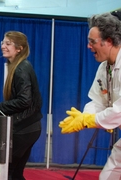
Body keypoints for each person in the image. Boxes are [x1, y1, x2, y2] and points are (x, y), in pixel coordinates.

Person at [59, 12, 121, 180]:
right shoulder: (104, 68)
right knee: (108, 177)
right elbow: (98, 100)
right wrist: (84, 116)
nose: (88, 46)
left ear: (108, 41)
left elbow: (119, 111)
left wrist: (88, 121)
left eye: (92, 42)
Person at [0, 31, 43, 180]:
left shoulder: (21, 68)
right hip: (28, 128)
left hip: (25, 129)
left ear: (19, 49)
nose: (3, 46)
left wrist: (1, 107)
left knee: (8, 172)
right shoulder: (18, 66)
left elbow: (25, 100)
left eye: (8, 43)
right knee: (15, 174)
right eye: (2, 42)